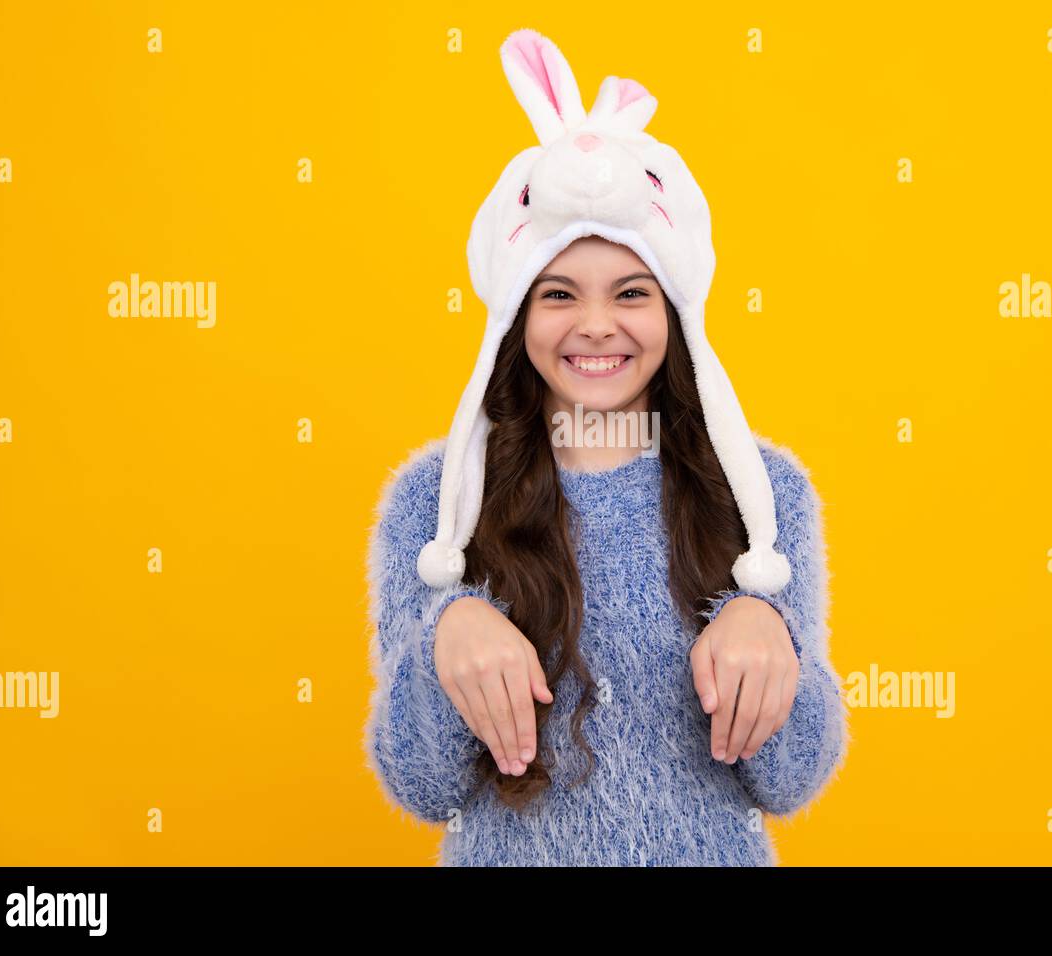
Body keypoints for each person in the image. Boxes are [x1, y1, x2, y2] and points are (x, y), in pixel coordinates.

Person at [363, 28, 849, 866]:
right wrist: (449, 630)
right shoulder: (437, 501)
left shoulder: (760, 494)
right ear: (517, 315)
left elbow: (794, 779)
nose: (595, 324)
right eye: (559, 293)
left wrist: (773, 636)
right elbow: (419, 784)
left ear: (676, 314)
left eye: (631, 292)